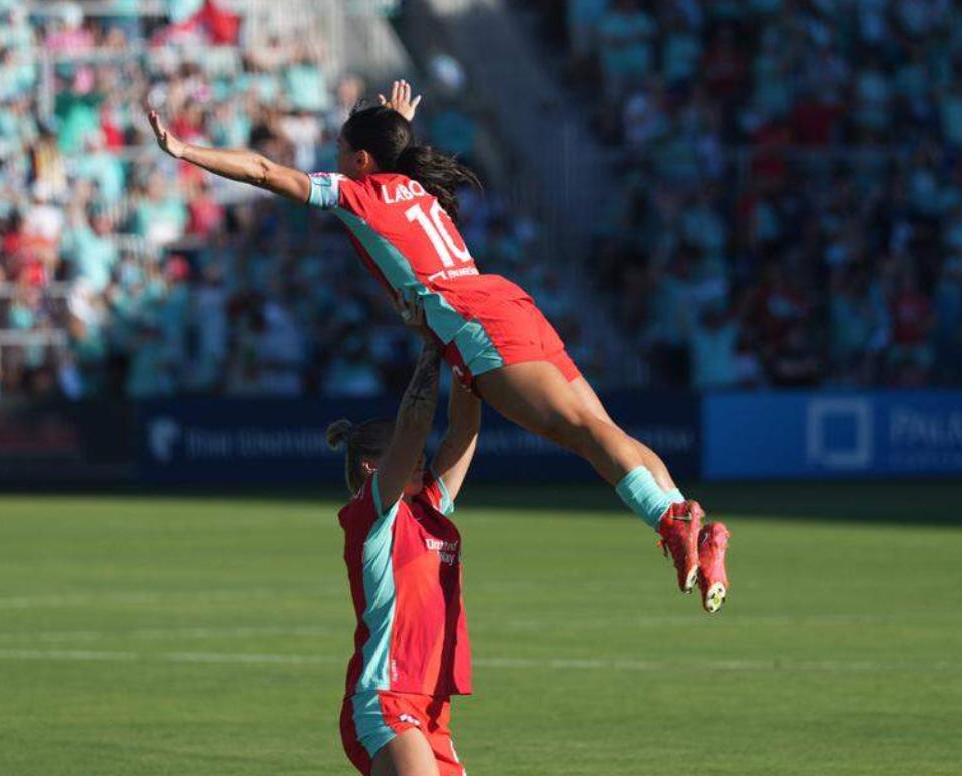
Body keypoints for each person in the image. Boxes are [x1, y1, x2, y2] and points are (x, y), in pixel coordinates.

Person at [148, 81, 732, 611]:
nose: (333, 158)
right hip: (503, 300)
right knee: (602, 428)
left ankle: (672, 521)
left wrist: (183, 150)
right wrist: (396, 123)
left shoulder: (358, 194)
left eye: (341, 149)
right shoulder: (414, 185)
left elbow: (262, 170)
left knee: (581, 433)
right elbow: (389, 164)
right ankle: (693, 528)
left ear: (362, 160)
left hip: (476, 320)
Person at [327, 300, 480, 776]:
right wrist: (431, 347)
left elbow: (462, 431)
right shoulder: (370, 516)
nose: (418, 458)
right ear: (372, 468)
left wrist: (465, 356)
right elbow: (414, 428)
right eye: (403, 454)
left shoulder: (429, 508)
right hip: (384, 698)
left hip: (432, 707)